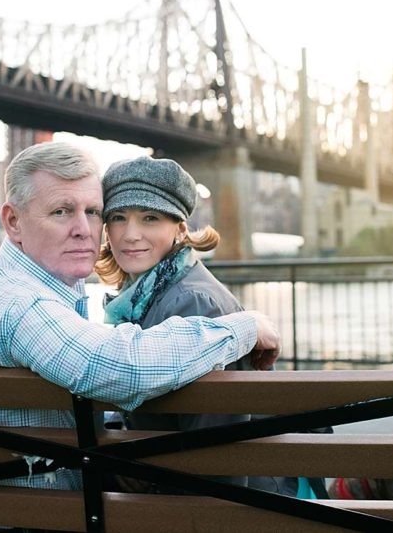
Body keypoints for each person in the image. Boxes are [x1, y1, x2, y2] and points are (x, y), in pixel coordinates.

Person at [0, 142, 280, 533]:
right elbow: (119, 368)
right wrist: (244, 327)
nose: (84, 229)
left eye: (92, 212)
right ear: (13, 222)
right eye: (61, 211)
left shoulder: (1, 277)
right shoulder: (19, 303)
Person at [96, 155, 295, 495]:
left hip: (232, 504)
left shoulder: (194, 304)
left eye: (150, 218)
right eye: (118, 218)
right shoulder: (145, 296)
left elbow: (216, 450)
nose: (130, 234)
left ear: (181, 229)